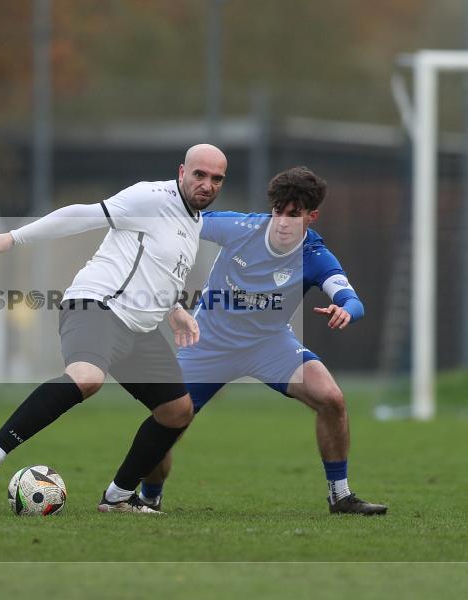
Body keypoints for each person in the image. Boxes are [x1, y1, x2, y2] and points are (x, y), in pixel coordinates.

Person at [0, 144, 227, 513]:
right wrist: (14, 237)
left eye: (216, 178)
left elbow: (157, 270)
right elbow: (82, 215)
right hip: (96, 305)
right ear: (182, 172)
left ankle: (118, 497)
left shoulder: (194, 220)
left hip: (137, 329)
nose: (207, 184)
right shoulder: (150, 198)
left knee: (178, 411)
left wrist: (176, 310)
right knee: (87, 378)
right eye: (200, 174)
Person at [140, 166, 387, 515]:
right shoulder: (238, 227)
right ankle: (149, 498)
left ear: (312, 216)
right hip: (208, 344)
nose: (283, 222)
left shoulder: (314, 255)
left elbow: (352, 300)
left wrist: (345, 310)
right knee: (164, 423)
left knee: (331, 398)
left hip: (270, 345)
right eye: (278, 211)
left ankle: (340, 496)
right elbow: (178, 224)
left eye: (294, 214)